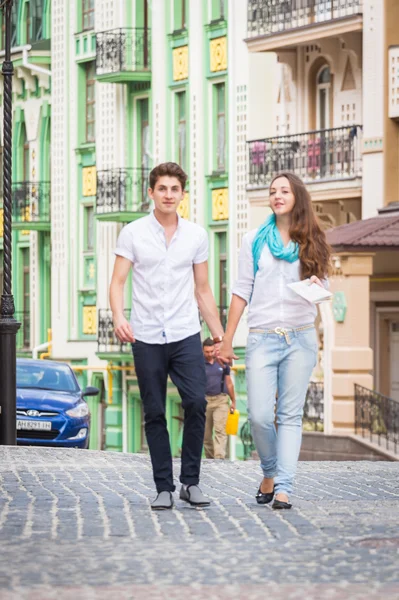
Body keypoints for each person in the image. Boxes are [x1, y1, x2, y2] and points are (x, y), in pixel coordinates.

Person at [109, 162, 225, 511]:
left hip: (185, 333)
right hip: (146, 336)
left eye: (175, 189)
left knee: (196, 403)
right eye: (162, 189)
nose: (169, 195)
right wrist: (118, 316)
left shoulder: (197, 236)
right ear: (152, 192)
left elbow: (203, 290)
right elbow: (117, 282)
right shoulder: (133, 233)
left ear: (182, 195)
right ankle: (164, 487)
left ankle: (191, 482)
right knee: (155, 411)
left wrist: (219, 336)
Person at [218, 172, 331, 510]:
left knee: (291, 416)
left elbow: (325, 291)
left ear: (297, 196)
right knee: (260, 416)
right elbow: (241, 290)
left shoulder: (313, 239)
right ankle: (269, 472)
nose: (277, 195)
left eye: (284, 190)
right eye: (272, 191)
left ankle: (283, 487)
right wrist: (227, 340)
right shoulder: (254, 239)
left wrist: (316, 285)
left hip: (300, 337)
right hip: (262, 338)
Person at [203, 338, 236, 459]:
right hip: (205, 401)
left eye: (211, 351)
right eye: (207, 352)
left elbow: (229, 383)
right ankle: (210, 459)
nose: (209, 354)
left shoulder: (222, 363)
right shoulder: (199, 364)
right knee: (206, 435)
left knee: (220, 431)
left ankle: (219, 458)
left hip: (220, 400)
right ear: (203, 351)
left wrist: (233, 401)